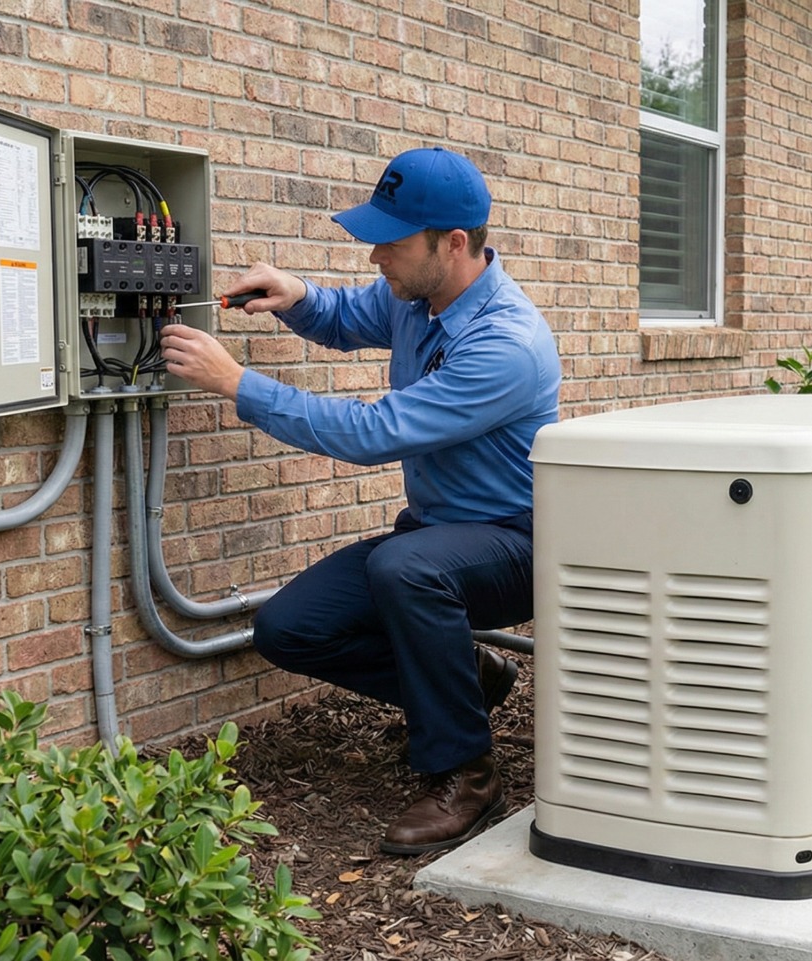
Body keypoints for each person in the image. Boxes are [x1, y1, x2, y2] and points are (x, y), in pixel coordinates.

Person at [159, 146, 561, 855]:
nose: (377, 255)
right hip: (436, 536)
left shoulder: (506, 343)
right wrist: (297, 295)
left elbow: (374, 432)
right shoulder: (422, 295)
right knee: (288, 628)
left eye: (392, 241)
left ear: (454, 244)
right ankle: (469, 679)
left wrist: (238, 384)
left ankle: (464, 770)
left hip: (517, 542)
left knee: (405, 568)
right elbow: (347, 315)